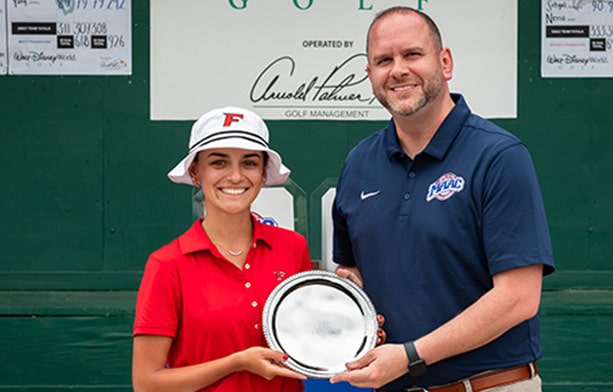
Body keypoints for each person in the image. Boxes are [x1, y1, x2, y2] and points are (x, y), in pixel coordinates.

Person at [330, 6, 555, 392]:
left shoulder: (499, 157)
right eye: (383, 60)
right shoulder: (359, 164)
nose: (398, 70)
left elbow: (518, 298)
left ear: (445, 62)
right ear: (370, 76)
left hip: (487, 385)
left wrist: (411, 356)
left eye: (412, 55)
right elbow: (354, 272)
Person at [132, 106, 311, 392]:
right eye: (219, 163)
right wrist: (236, 363)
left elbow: (307, 338)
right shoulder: (167, 265)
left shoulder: (292, 247)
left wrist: (353, 329)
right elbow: (146, 383)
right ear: (195, 172)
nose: (236, 176)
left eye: (250, 163)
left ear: (264, 173)